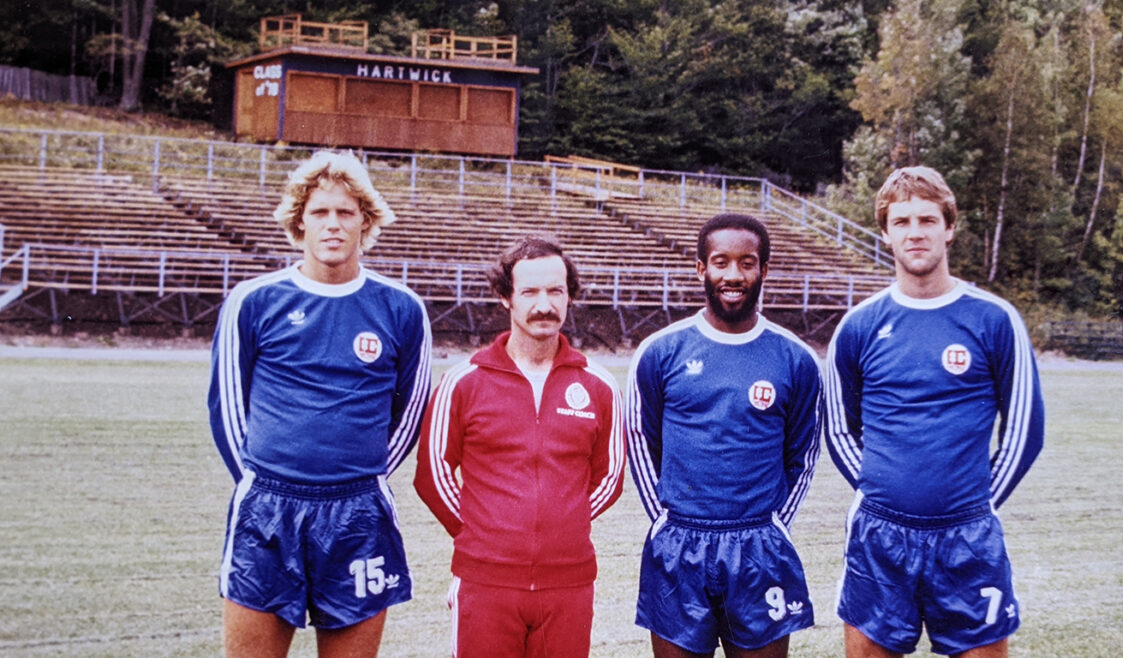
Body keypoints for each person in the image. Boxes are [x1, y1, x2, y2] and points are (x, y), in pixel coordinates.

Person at [208, 150, 432, 658]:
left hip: (357, 515)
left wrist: (360, 473)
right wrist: (263, 476)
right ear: (299, 222)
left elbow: (409, 412)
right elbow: (227, 412)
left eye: (346, 212)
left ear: (365, 222)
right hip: (268, 509)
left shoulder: (401, 308)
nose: (333, 225)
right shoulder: (254, 301)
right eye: (320, 213)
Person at [824, 166, 1045, 658]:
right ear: (885, 233)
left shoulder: (994, 319)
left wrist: (977, 501)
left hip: (969, 538)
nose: (915, 232)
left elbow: (1025, 432)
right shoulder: (859, 326)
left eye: (927, 219)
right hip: (879, 537)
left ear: (949, 227)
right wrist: (881, 490)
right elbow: (838, 428)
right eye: (901, 222)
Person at [414, 236, 625, 658]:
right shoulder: (464, 381)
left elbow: (611, 476)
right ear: (505, 297)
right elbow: (432, 474)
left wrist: (561, 528)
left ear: (570, 296)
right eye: (529, 291)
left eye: (555, 291)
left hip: (569, 583)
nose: (543, 304)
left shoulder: (598, 385)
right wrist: (485, 537)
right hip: (486, 583)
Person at [625, 213, 822, 658]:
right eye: (721, 262)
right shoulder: (661, 351)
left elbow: (803, 453)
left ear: (763, 271)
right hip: (679, 543)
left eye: (747, 263)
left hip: (759, 546)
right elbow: (641, 439)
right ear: (701, 268)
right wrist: (664, 516)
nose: (733, 275)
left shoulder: (795, 358)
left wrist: (773, 523)